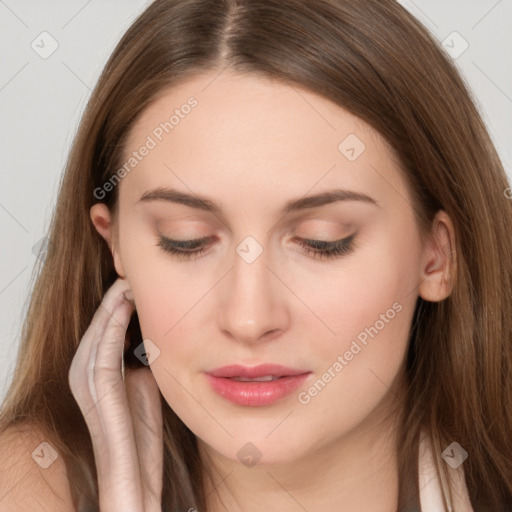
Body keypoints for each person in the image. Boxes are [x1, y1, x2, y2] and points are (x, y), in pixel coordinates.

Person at [1, 0, 511, 511]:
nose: (249, 319)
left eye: (322, 240)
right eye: (186, 239)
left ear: (436, 255)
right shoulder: (28, 486)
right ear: (115, 244)